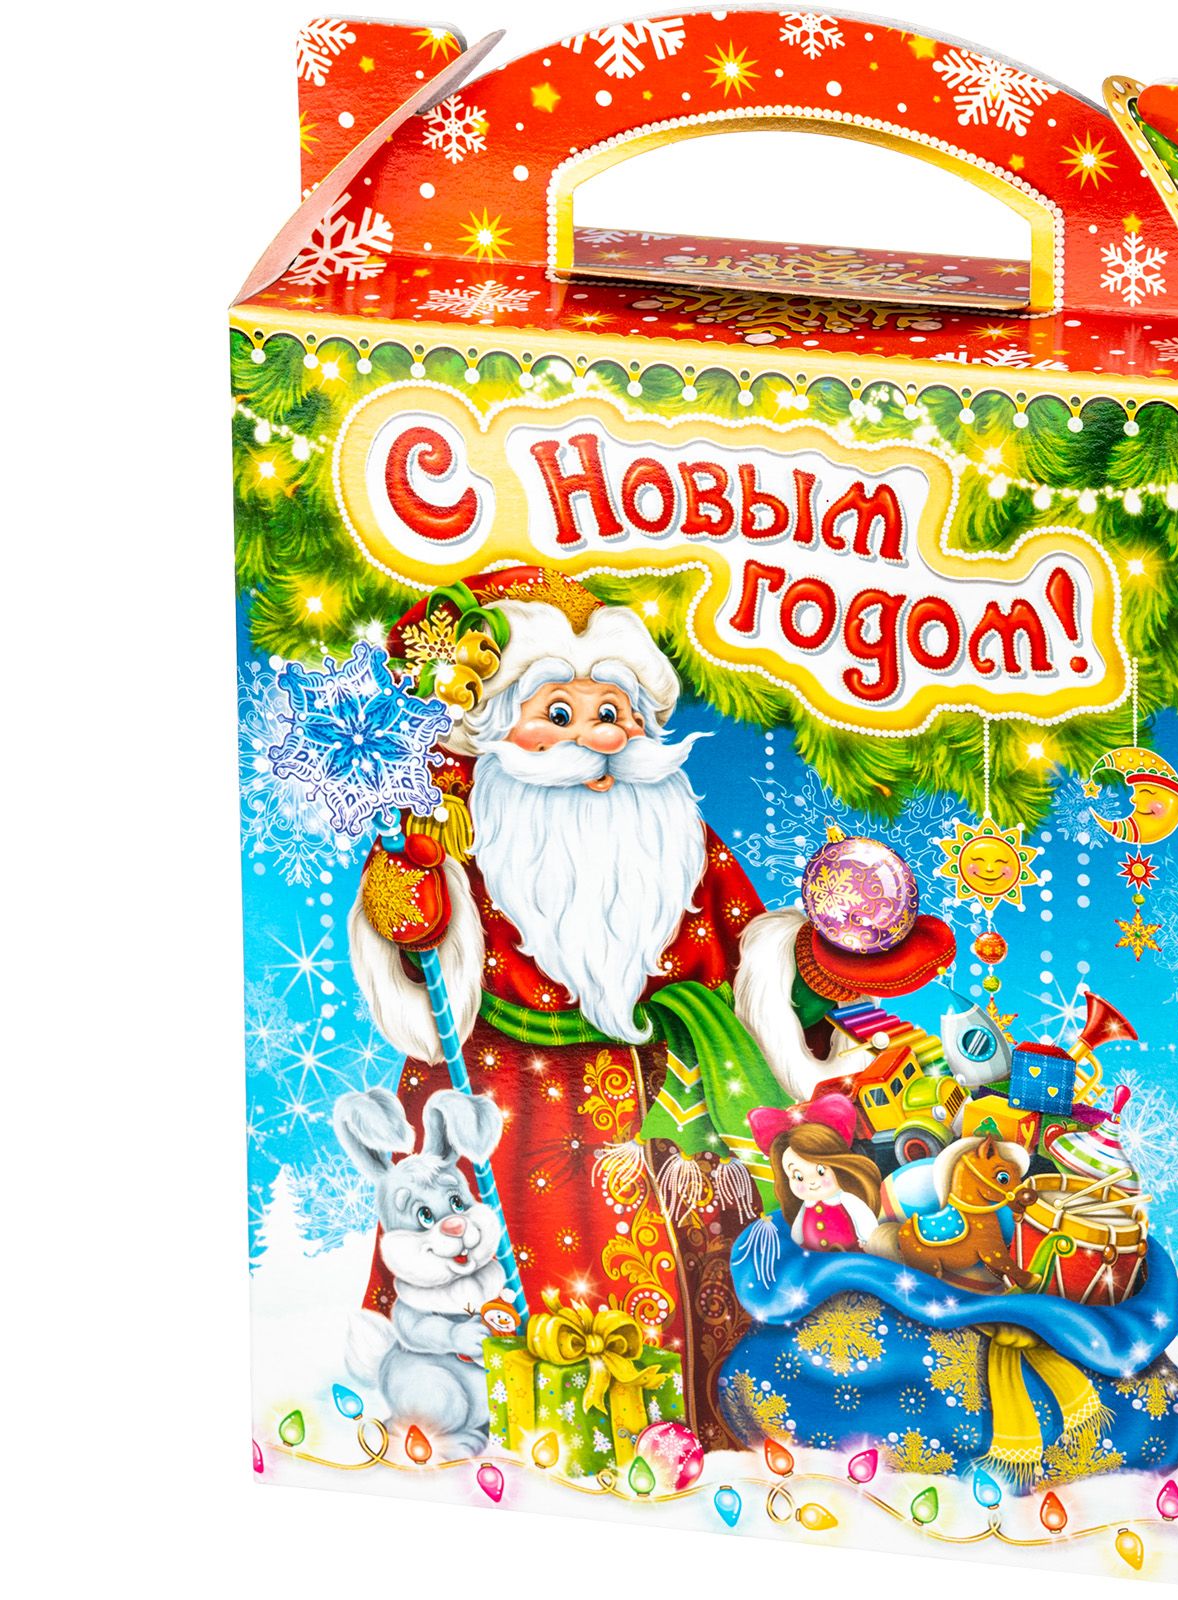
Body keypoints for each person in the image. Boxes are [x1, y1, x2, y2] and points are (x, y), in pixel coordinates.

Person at [347, 565, 953, 1442]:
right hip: (508, 1100)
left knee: (711, 1285)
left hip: (676, 1101)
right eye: (558, 712)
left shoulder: (675, 835)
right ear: (497, 731)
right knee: (510, 1309)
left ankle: (722, 1414)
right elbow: (412, 935)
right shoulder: (463, 831)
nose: (596, 738)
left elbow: (747, 959)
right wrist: (411, 868)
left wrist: (825, 967)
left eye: (614, 710)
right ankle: (512, 1421)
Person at [750, 1095, 882, 1252]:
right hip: (815, 1259)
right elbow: (797, 1235)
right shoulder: (805, 1206)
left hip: (851, 1255)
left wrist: (868, 1240)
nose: (812, 1181)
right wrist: (796, 1244)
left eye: (820, 1171)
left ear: (838, 1166)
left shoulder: (847, 1200)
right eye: (798, 1177)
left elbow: (864, 1220)